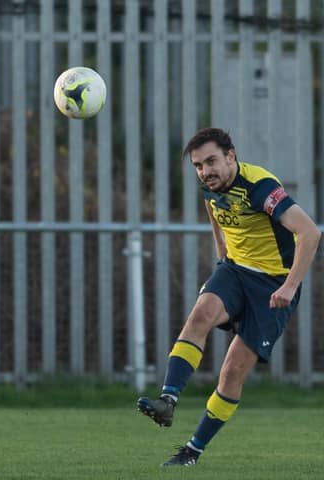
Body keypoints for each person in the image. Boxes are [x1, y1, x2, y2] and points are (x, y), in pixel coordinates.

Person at [137, 128, 321, 466]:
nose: (206, 171)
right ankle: (168, 400)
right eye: (198, 165)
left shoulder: (261, 187)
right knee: (200, 315)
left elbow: (309, 232)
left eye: (211, 161)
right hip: (236, 272)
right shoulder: (211, 186)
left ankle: (191, 452)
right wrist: (222, 255)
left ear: (231, 156)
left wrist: (290, 286)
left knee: (233, 370)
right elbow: (215, 212)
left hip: (273, 284)